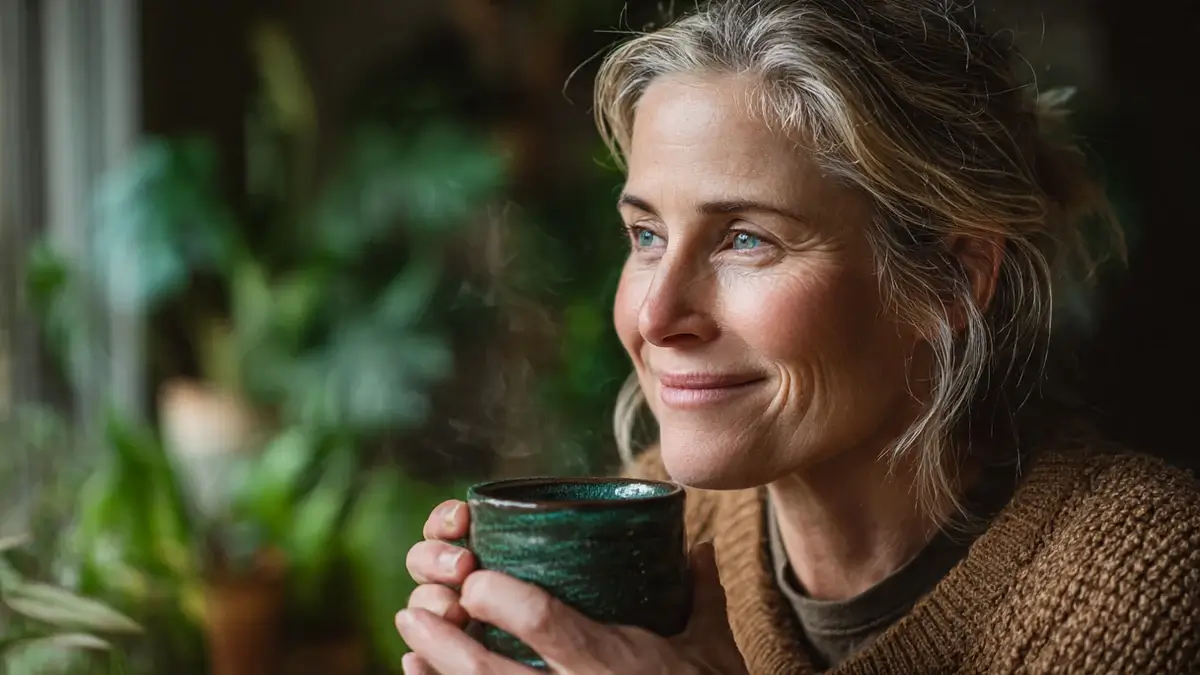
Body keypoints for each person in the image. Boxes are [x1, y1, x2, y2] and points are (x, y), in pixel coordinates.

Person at [396, 0, 1200, 672]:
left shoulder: (1136, 576)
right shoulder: (672, 531)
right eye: (646, 235)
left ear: (950, 279)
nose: (654, 315)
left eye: (746, 239)